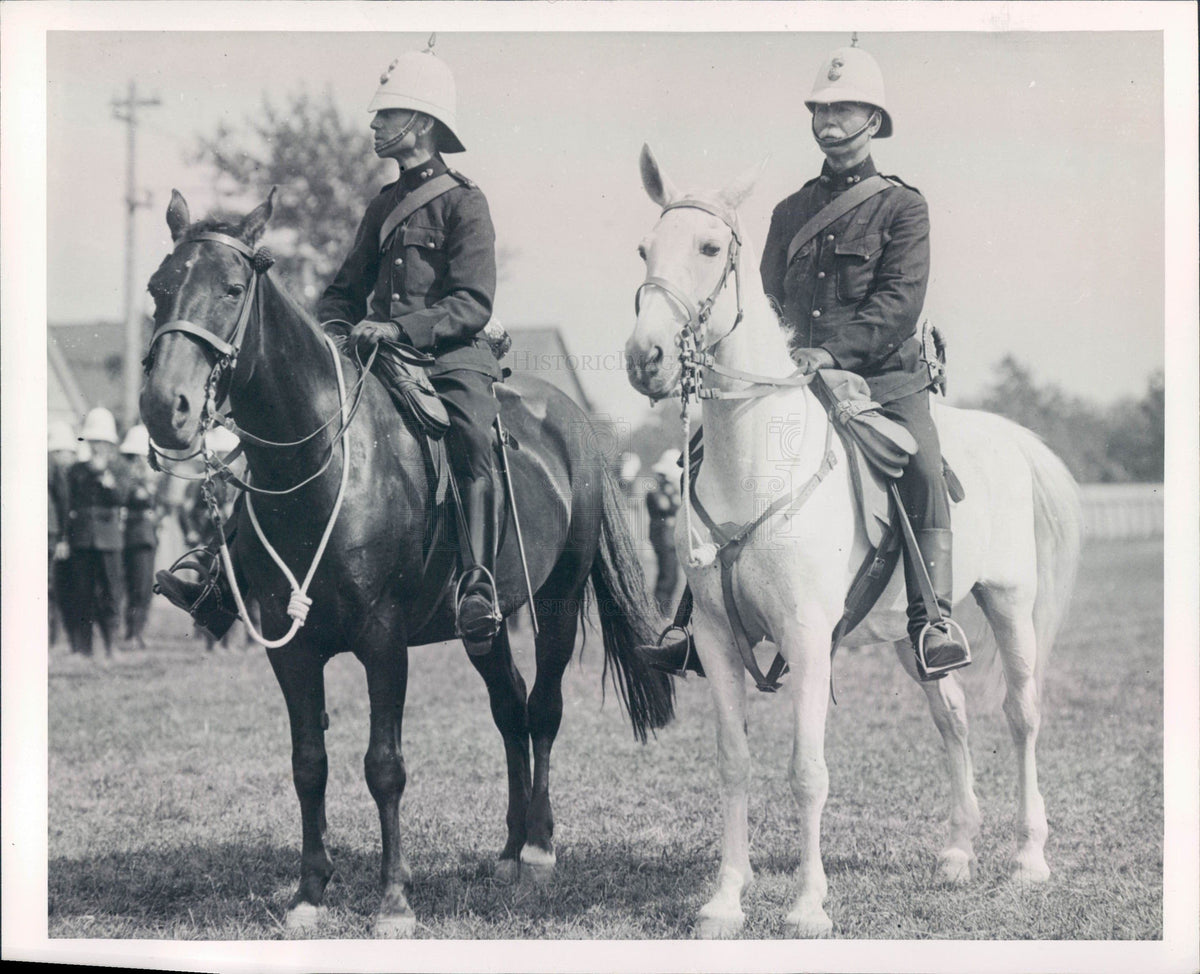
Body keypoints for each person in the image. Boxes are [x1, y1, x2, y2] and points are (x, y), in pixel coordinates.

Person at [642, 44, 969, 682]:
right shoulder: (790, 211)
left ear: (874, 121)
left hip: (882, 380)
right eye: (820, 109)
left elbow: (898, 305)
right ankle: (693, 613)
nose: (829, 121)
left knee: (924, 469)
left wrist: (830, 351)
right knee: (707, 457)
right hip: (797, 379)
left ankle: (932, 618)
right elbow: (761, 299)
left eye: (844, 110)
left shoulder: (903, 207)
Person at [315, 46, 504, 644]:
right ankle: (222, 564)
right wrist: (333, 335)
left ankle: (475, 582)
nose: (373, 126)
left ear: (419, 123)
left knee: (473, 432)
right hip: (375, 356)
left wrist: (400, 329)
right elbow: (344, 291)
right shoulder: (383, 205)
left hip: (449, 357)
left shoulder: (464, 201)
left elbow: (473, 302)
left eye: (385, 115)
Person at [64, 407, 128, 660]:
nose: (98, 446)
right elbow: (70, 503)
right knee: (82, 593)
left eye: (102, 442)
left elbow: (121, 497)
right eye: (94, 441)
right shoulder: (76, 470)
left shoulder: (119, 469)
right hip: (82, 538)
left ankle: (112, 645)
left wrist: (103, 474)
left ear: (111, 444)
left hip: (109, 538)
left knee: (112, 592)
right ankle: (84, 648)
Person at [119, 425, 161, 649]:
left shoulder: (152, 481)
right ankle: (130, 631)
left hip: (146, 537)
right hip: (131, 536)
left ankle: (137, 630)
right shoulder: (127, 479)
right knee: (132, 586)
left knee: (143, 586)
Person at [48, 419, 77, 649]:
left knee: (55, 587)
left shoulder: (64, 473)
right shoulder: (54, 468)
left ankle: (55, 637)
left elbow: (64, 502)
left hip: (57, 534)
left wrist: (63, 537)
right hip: (55, 534)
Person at [646, 450, 682, 614]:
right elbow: (665, 507)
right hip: (663, 538)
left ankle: (663, 610)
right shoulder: (656, 492)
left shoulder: (668, 491)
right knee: (667, 576)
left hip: (669, 538)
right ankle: (660, 611)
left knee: (672, 576)